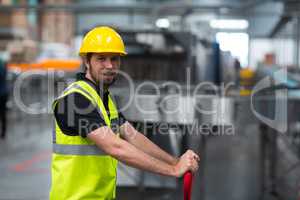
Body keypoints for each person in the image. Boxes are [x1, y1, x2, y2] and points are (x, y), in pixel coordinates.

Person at [49, 26, 200, 200]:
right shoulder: (75, 100)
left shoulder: (104, 98)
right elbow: (116, 146)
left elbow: (132, 136)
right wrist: (173, 170)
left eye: (114, 59)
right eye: (101, 59)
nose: (110, 66)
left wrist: (175, 161)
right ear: (86, 61)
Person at [0, 57, 7, 139]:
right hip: (3, 92)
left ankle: (3, 132)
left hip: (2, 93)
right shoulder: (3, 62)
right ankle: (3, 132)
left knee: (2, 113)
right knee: (3, 113)